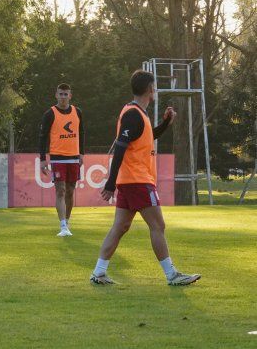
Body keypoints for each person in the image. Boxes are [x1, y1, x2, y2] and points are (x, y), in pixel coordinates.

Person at [90, 70, 200, 286]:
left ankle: (99, 272)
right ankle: (172, 275)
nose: (156, 90)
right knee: (158, 225)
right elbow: (120, 148)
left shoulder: (138, 113)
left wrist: (165, 123)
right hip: (137, 180)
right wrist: (110, 184)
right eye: (155, 86)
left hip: (130, 180)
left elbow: (146, 137)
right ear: (150, 89)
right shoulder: (133, 114)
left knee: (120, 227)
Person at [38, 83, 84, 237]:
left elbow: (81, 133)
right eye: (61, 94)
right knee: (60, 191)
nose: (63, 97)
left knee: (70, 191)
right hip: (57, 157)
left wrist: (81, 154)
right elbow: (43, 137)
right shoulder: (49, 113)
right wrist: (43, 159)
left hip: (73, 157)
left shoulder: (77, 112)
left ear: (70, 95)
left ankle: (67, 223)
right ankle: (62, 226)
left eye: (66, 94)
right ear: (56, 95)